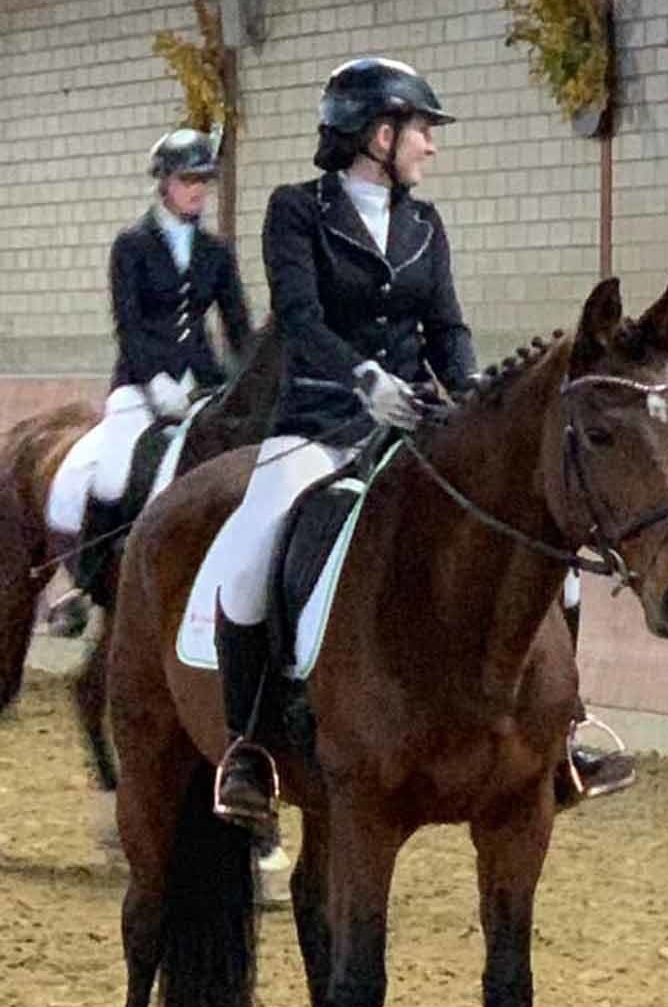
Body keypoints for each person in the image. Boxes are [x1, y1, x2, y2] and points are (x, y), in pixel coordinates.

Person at [206, 57, 625, 838]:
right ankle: (250, 748)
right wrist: (363, 378)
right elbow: (300, 318)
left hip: (415, 427)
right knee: (251, 554)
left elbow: (447, 326)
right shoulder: (296, 210)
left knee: (550, 555)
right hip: (320, 423)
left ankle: (561, 736)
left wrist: (469, 399)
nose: (430, 145)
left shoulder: (424, 224)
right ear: (378, 133)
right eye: (421, 129)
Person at [65, 128, 252, 601]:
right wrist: (154, 381)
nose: (197, 189)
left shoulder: (216, 251)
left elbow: (238, 327)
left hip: (205, 384)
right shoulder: (132, 244)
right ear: (164, 183)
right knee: (113, 474)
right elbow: (127, 325)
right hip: (140, 382)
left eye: (203, 180)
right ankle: (87, 583)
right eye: (188, 179)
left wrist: (247, 380)